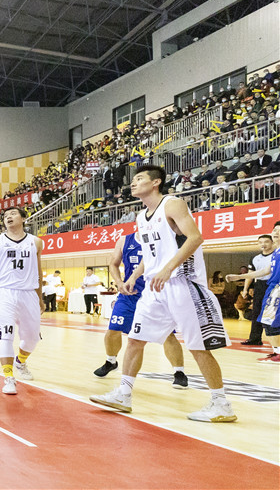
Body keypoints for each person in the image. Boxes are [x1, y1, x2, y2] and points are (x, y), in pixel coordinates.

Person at [90, 165, 235, 422]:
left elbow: (195, 238)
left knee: (198, 347)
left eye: (139, 178)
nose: (133, 183)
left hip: (182, 284)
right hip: (154, 288)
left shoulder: (172, 204)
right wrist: (133, 277)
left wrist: (168, 268)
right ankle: (124, 394)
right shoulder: (141, 217)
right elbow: (149, 255)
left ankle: (221, 404)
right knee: (135, 339)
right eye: (133, 180)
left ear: (156, 182)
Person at [94, 233, 188, 387]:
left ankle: (179, 372)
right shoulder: (125, 240)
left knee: (168, 335)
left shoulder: (161, 237)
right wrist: (119, 282)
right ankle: (111, 361)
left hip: (156, 294)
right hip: (129, 295)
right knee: (113, 329)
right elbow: (113, 264)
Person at [0, 207, 43, 395]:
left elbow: (38, 271)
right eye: (5, 216)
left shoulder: (36, 242)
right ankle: (8, 377)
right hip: (5, 292)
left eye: (13, 214)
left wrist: (40, 297)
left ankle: (20, 362)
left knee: (32, 338)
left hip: (29, 292)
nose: (8, 217)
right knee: (5, 335)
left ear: (23, 218)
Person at [226, 224, 280, 362]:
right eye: (275, 230)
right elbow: (264, 271)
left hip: (277, 289)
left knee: (272, 322)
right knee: (266, 321)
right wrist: (239, 277)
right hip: (270, 288)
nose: (276, 232)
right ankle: (277, 352)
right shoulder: (276, 253)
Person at [241, 233, 276, 346]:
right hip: (259, 285)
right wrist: (245, 289)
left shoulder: (276, 256)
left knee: (274, 312)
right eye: (260, 242)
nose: (263, 244)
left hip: (274, 285)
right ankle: (255, 339)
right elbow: (250, 275)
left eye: (266, 242)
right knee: (256, 312)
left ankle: (276, 341)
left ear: (272, 242)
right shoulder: (255, 258)